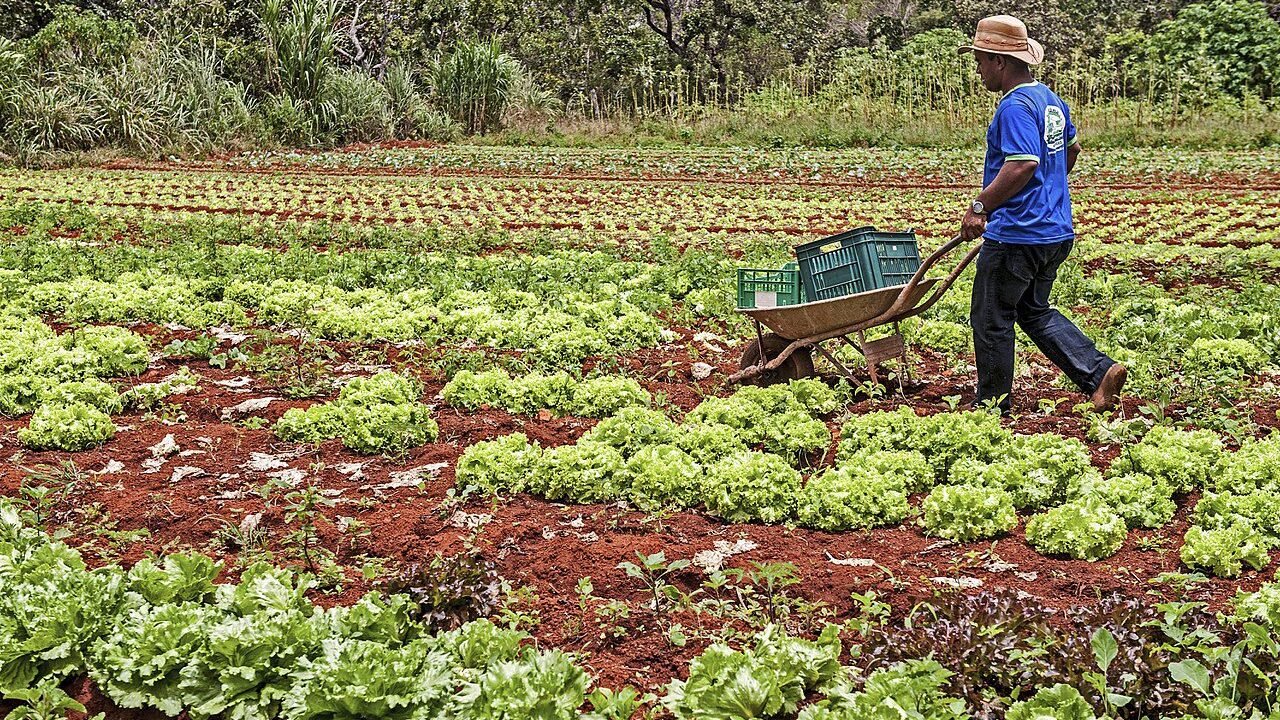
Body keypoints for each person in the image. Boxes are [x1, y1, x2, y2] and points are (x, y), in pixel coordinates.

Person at [956, 15, 1126, 414]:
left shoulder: (1014, 106)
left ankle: (992, 407)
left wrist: (981, 206)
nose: (979, 70)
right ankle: (1098, 372)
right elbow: (1071, 151)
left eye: (980, 60)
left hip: (1018, 234)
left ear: (1000, 61)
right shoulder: (1050, 100)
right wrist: (1048, 190)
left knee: (991, 318)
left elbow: (1021, 164)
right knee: (1033, 310)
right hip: (1054, 231)